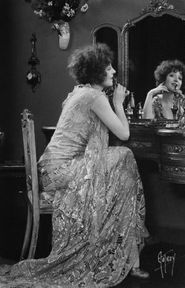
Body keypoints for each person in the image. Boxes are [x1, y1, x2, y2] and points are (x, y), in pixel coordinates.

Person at [0, 44, 149, 287]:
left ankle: (125, 252)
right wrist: (119, 103)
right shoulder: (94, 96)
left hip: (48, 171)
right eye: (108, 68)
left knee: (119, 166)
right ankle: (128, 256)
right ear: (95, 72)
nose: (113, 72)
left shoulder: (77, 93)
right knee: (125, 156)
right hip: (62, 172)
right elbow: (123, 133)